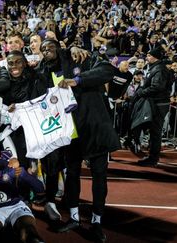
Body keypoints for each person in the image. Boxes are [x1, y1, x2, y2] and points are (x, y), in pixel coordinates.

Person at [38, 39, 119, 243]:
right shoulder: (44, 72)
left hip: (95, 127)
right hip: (70, 132)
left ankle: (97, 221)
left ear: (60, 48)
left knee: (99, 176)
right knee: (72, 174)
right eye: (42, 49)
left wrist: (78, 80)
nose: (46, 51)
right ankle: (74, 217)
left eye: (50, 47)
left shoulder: (81, 57)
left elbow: (108, 71)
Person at [134, 47, 172, 166]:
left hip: (159, 103)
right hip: (158, 103)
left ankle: (153, 158)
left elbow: (157, 87)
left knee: (155, 131)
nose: (147, 57)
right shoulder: (157, 68)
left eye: (149, 55)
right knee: (153, 130)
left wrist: (141, 92)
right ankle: (152, 156)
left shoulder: (159, 69)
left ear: (154, 57)